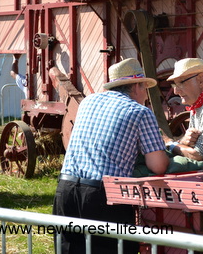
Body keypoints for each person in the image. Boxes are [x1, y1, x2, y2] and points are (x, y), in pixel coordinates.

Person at [53, 58, 169, 254]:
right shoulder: (139, 112)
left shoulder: (88, 101)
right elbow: (158, 165)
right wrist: (172, 151)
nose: (146, 96)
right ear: (137, 86)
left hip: (65, 189)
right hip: (103, 196)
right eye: (145, 88)